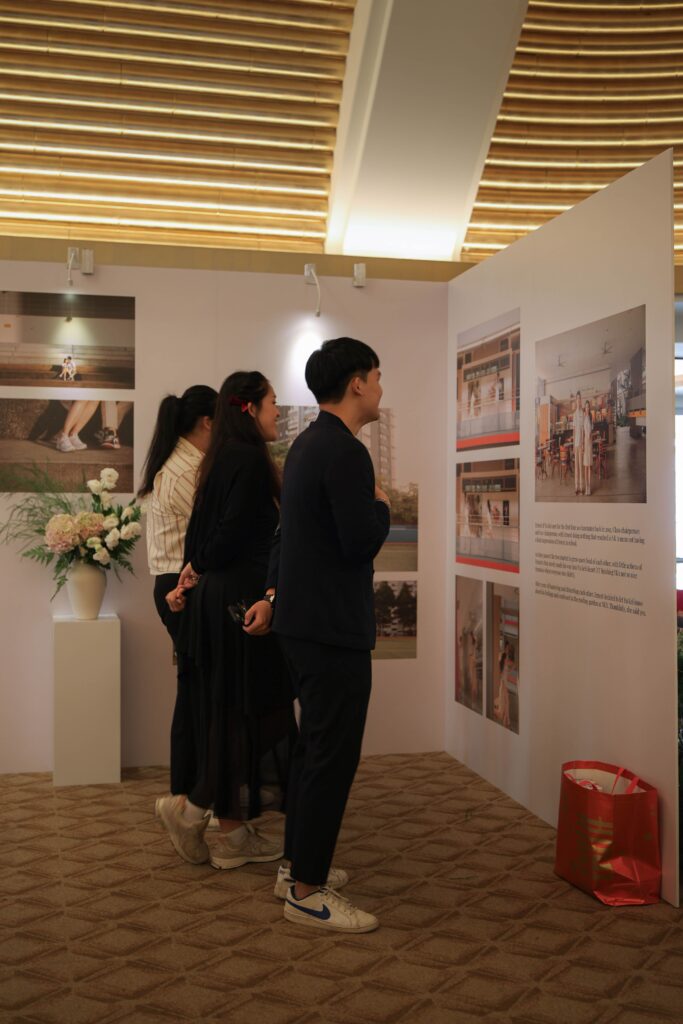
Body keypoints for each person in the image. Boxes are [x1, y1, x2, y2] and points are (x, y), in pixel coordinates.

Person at [250, 337, 391, 933]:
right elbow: (360, 539)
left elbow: (291, 541)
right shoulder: (345, 454)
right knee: (331, 757)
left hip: (305, 627)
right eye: (378, 378)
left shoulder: (306, 445)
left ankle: (294, 866)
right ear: (357, 383)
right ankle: (307, 892)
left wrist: (274, 597)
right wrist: (382, 506)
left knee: (313, 752)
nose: (382, 389)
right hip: (333, 631)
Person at [156, 371, 294, 872]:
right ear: (249, 409)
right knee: (249, 715)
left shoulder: (222, 459)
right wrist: (207, 565)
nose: (278, 411)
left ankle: (231, 833)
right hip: (238, 602)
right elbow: (228, 537)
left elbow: (201, 539)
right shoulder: (247, 460)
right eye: (273, 402)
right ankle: (192, 812)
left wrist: (197, 569)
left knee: (237, 714)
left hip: (222, 599)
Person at [138, 385, 217, 799]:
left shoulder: (182, 464)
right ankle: (191, 793)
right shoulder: (188, 471)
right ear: (208, 422)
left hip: (177, 584)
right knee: (197, 692)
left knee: (194, 689)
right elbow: (211, 535)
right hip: (182, 587)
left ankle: (190, 791)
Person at [573, 391, 584, 495]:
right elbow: (574, 430)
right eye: (577, 398)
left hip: (581, 445)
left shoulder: (583, 414)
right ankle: (576, 487)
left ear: (581, 400)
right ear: (576, 400)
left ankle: (581, 487)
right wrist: (573, 445)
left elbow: (583, 431)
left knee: (581, 467)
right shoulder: (574, 414)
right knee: (576, 467)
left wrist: (583, 444)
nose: (579, 400)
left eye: (580, 398)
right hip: (575, 445)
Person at [583, 399, 594, 496]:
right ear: (584, 408)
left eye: (588, 406)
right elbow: (583, 432)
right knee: (586, 466)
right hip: (585, 443)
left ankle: (589, 486)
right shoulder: (583, 417)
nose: (587, 408)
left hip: (590, 443)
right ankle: (586, 486)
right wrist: (583, 444)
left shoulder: (590, 417)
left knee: (589, 465)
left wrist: (591, 436)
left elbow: (591, 430)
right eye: (586, 407)